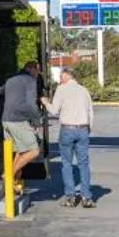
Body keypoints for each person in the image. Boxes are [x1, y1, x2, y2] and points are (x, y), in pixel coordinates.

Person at [47, 65, 96, 208]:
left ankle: (70, 197)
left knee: (67, 163)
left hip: (67, 129)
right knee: (84, 163)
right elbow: (90, 112)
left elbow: (54, 110)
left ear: (67, 76)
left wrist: (45, 103)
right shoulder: (84, 90)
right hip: (83, 129)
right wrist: (88, 130)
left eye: (61, 77)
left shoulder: (61, 89)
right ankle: (86, 197)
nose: (59, 80)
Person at [0, 60, 45, 190]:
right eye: (37, 70)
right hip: (18, 120)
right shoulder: (29, 81)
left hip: (6, 120)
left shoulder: (11, 80)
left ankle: (13, 180)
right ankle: (9, 175)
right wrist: (36, 121)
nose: (38, 73)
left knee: (21, 151)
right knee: (34, 151)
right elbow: (31, 103)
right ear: (30, 68)